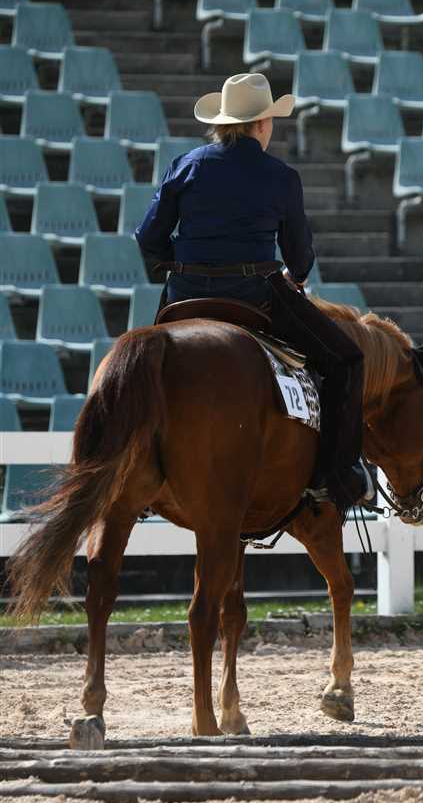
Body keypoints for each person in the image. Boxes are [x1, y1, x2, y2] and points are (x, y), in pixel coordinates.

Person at [135, 72, 373, 514]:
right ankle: (334, 475)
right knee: (346, 360)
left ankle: (140, 468)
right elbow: (298, 255)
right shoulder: (281, 176)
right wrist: (297, 275)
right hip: (255, 294)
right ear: (262, 124)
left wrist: (179, 266)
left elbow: (148, 236)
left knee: (145, 368)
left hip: (185, 294)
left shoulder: (185, 165)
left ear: (224, 123)